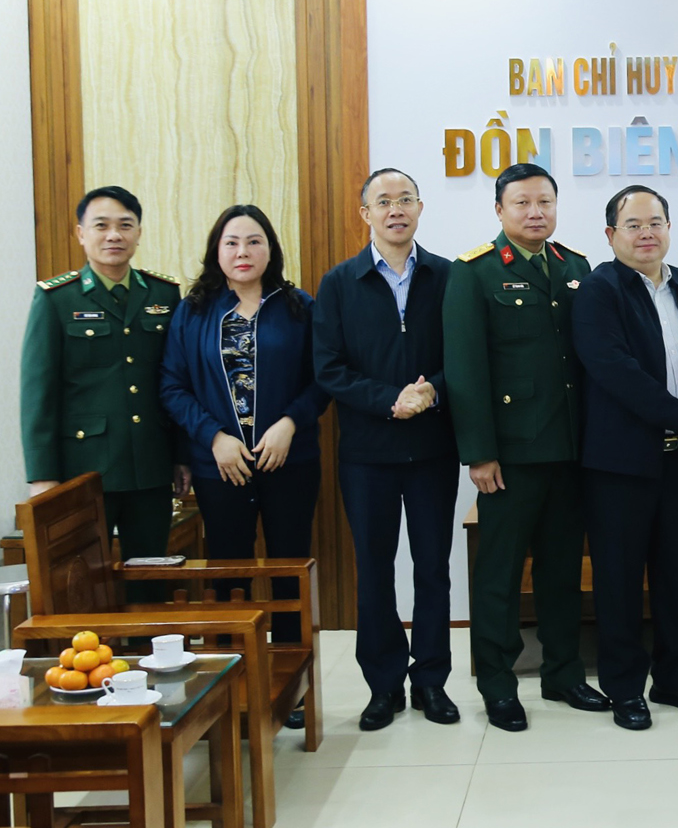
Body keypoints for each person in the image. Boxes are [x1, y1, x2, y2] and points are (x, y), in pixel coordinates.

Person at [443, 163, 608, 732]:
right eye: (522, 203)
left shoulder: (575, 266)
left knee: (562, 571)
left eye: (545, 202)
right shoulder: (475, 272)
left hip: (570, 449)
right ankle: (497, 685)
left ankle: (564, 674)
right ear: (500, 210)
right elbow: (465, 369)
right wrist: (479, 452)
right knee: (500, 575)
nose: (535, 212)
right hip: (510, 456)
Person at [159, 204, 327, 731]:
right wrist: (213, 437)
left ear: (270, 249)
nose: (243, 252)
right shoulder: (193, 311)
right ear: (217, 251)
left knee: (288, 571)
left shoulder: (299, 307)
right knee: (227, 574)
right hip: (221, 468)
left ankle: (293, 689)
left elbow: (323, 379)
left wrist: (290, 423)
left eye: (254, 241)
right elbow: (172, 386)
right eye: (231, 242)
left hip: (289, 461)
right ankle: (229, 687)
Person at [313, 169, 460, 731]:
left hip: (432, 450)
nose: (395, 210)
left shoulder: (448, 276)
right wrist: (389, 401)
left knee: (433, 569)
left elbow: (465, 355)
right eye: (383, 202)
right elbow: (328, 367)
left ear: (420, 209)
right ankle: (383, 686)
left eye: (405, 200)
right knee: (374, 571)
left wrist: (430, 392)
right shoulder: (339, 283)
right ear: (365, 213)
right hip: (367, 453)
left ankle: (431, 682)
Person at [572, 184, 678, 731]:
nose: (646, 233)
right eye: (633, 225)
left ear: (669, 228)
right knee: (619, 578)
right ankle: (624, 687)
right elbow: (615, 370)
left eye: (655, 222)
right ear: (611, 234)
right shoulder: (598, 290)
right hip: (619, 463)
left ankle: (677, 677)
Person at [21, 186, 188, 601]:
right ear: (81, 234)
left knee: (150, 581)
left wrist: (181, 455)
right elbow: (38, 392)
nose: (114, 235)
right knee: (81, 584)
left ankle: (151, 645)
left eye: (125, 225)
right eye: (101, 226)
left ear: (138, 233)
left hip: (150, 465)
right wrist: (42, 476)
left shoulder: (163, 295)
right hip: (83, 469)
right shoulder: (56, 299)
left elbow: (177, 381)